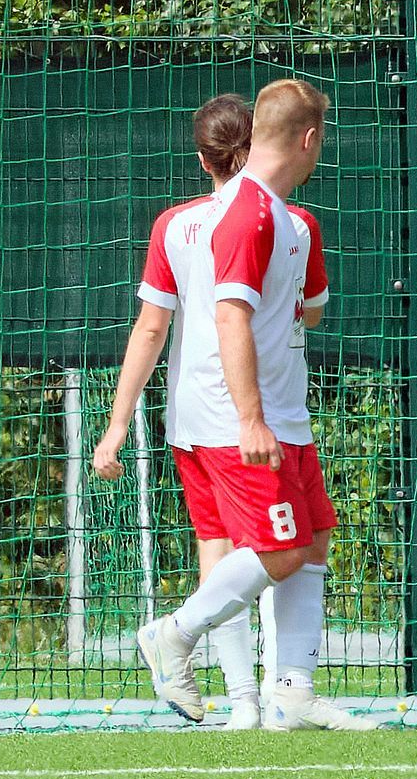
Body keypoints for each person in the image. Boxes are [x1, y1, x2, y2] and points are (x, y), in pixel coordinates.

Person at [133, 78, 373, 731]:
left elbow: (300, 313)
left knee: (313, 536)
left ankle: (292, 691)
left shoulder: (285, 217)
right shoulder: (248, 214)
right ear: (309, 139)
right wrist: (249, 418)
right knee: (281, 548)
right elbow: (230, 316)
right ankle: (174, 634)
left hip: (285, 414)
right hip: (238, 418)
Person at [93, 94, 327, 729]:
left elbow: (150, 329)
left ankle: (248, 701)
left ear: (202, 159)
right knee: (279, 548)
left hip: (191, 415)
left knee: (231, 552)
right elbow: (303, 312)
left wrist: (118, 423)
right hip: (243, 412)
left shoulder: (177, 224)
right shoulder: (286, 222)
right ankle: (188, 646)